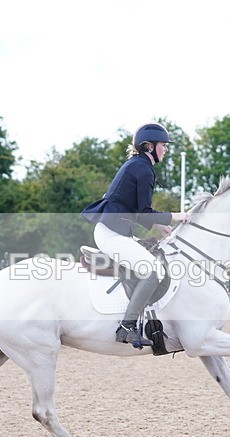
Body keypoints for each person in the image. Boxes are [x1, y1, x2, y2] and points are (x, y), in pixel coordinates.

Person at [82, 123, 187, 348]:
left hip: (115, 230)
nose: (166, 149)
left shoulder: (138, 165)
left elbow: (134, 210)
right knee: (154, 270)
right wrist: (176, 216)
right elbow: (143, 212)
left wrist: (159, 225)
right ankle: (127, 326)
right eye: (163, 146)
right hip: (112, 233)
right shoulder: (143, 168)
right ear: (149, 146)